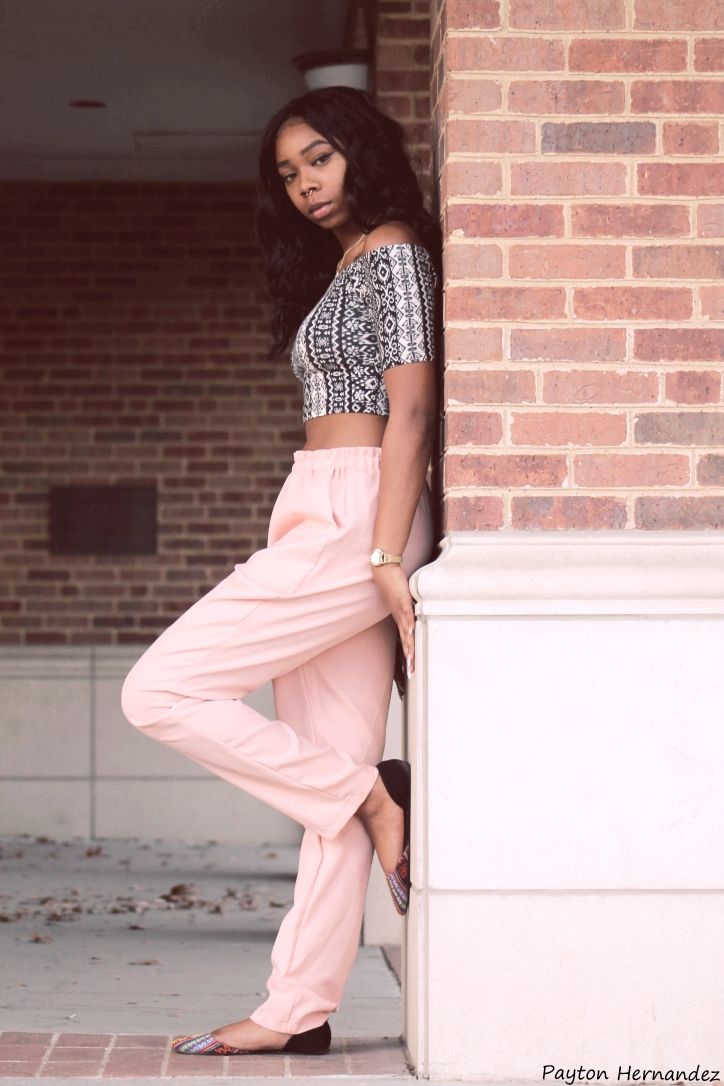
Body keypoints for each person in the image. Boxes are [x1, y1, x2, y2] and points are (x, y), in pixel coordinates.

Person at [120, 84, 440, 1058]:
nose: (304, 182)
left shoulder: (390, 253)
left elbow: (412, 416)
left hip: (356, 510)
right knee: (330, 771)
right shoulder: (343, 261)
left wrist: (385, 554)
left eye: (320, 158)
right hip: (321, 497)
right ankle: (298, 1009)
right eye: (289, 170)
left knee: (158, 689)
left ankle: (369, 796)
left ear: (363, 152)